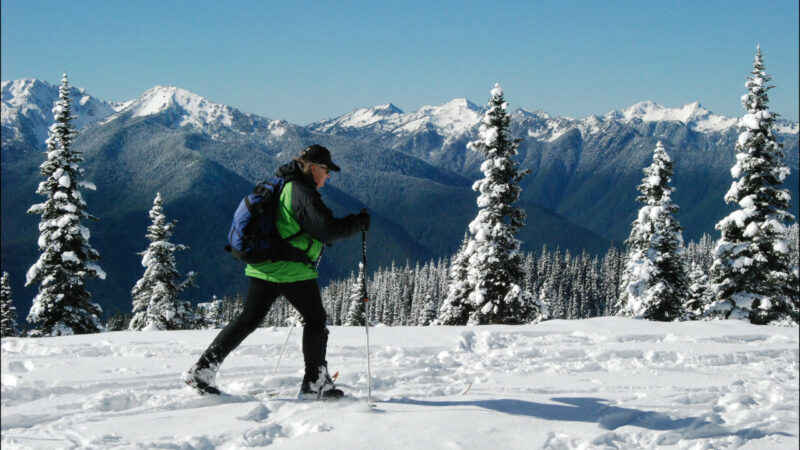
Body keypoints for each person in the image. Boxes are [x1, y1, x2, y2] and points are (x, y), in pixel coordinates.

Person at [182, 144, 370, 399]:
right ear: (314, 168)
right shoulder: (301, 191)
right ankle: (314, 383)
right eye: (327, 171)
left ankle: (202, 370)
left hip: (264, 264)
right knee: (315, 320)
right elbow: (327, 230)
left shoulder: (283, 183)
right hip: (289, 269)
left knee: (247, 320)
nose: (328, 177)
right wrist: (357, 223)